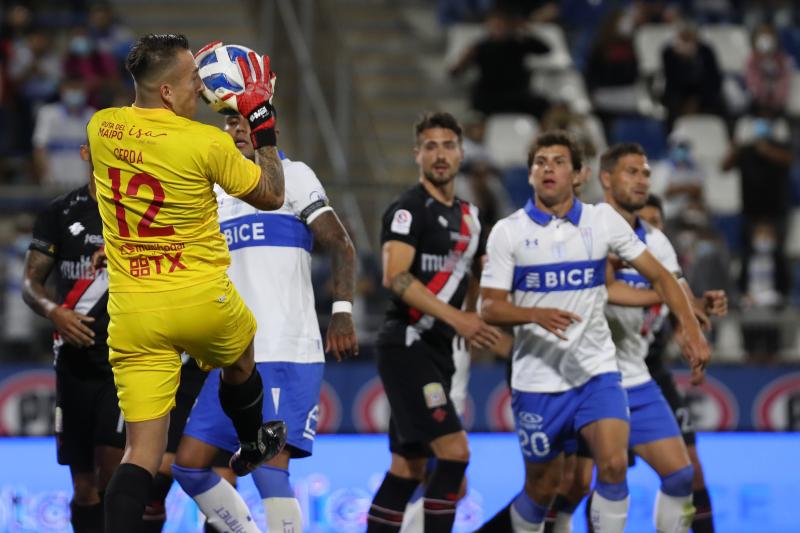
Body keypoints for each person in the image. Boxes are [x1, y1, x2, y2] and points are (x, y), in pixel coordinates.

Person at [87, 34, 288, 532]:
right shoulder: (207, 142)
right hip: (200, 298)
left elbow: (100, 186)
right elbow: (272, 195)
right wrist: (263, 123)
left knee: (140, 452)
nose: (205, 91)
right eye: (195, 83)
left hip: (134, 313)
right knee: (240, 357)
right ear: (168, 95)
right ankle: (250, 441)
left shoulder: (102, 126)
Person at [476, 131, 709, 533]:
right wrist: (533, 315)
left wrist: (692, 328)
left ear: (578, 174)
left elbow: (662, 277)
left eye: (558, 161)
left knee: (614, 466)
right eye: (540, 162)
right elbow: (489, 307)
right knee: (543, 488)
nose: (548, 168)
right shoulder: (507, 232)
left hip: (597, 374)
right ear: (530, 175)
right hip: (537, 379)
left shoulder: (602, 222)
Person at [171, 110, 358, 532]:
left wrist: (342, 312)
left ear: (266, 130)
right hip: (234, 357)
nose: (234, 131)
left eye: (243, 123)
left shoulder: (293, 175)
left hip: (286, 348)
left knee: (269, 470)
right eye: (228, 124)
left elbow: (341, 244)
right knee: (189, 467)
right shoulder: (215, 191)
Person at [550, 144, 725, 533]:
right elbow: (609, 289)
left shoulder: (657, 241)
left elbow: (676, 292)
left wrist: (693, 320)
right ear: (606, 178)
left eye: (646, 172)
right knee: (580, 482)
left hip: (634, 372)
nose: (642, 179)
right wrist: (673, 297)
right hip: (585, 375)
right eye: (631, 172)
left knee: (681, 476)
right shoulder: (587, 225)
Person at [367, 111, 500, 533]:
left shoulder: (472, 217)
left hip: (440, 351)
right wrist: (458, 318)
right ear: (417, 155)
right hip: (407, 344)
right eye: (430, 147)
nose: (439, 155)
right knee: (455, 454)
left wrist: (478, 317)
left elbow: (480, 274)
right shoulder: (407, 210)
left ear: (461, 154)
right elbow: (396, 276)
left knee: (408, 467)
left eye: (447, 146)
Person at [21, 144, 124, 533]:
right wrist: (55, 312)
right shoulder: (58, 213)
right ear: (85, 152)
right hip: (73, 366)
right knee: (84, 489)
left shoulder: (138, 212)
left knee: (113, 476)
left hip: (123, 361)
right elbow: (31, 284)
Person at [641, 194, 720, 533]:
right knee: (587, 477)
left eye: (657, 224)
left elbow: (679, 316)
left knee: (692, 467)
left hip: (654, 376)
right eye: (644, 224)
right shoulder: (609, 269)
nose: (651, 232)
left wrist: (692, 337)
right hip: (607, 376)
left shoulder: (668, 274)